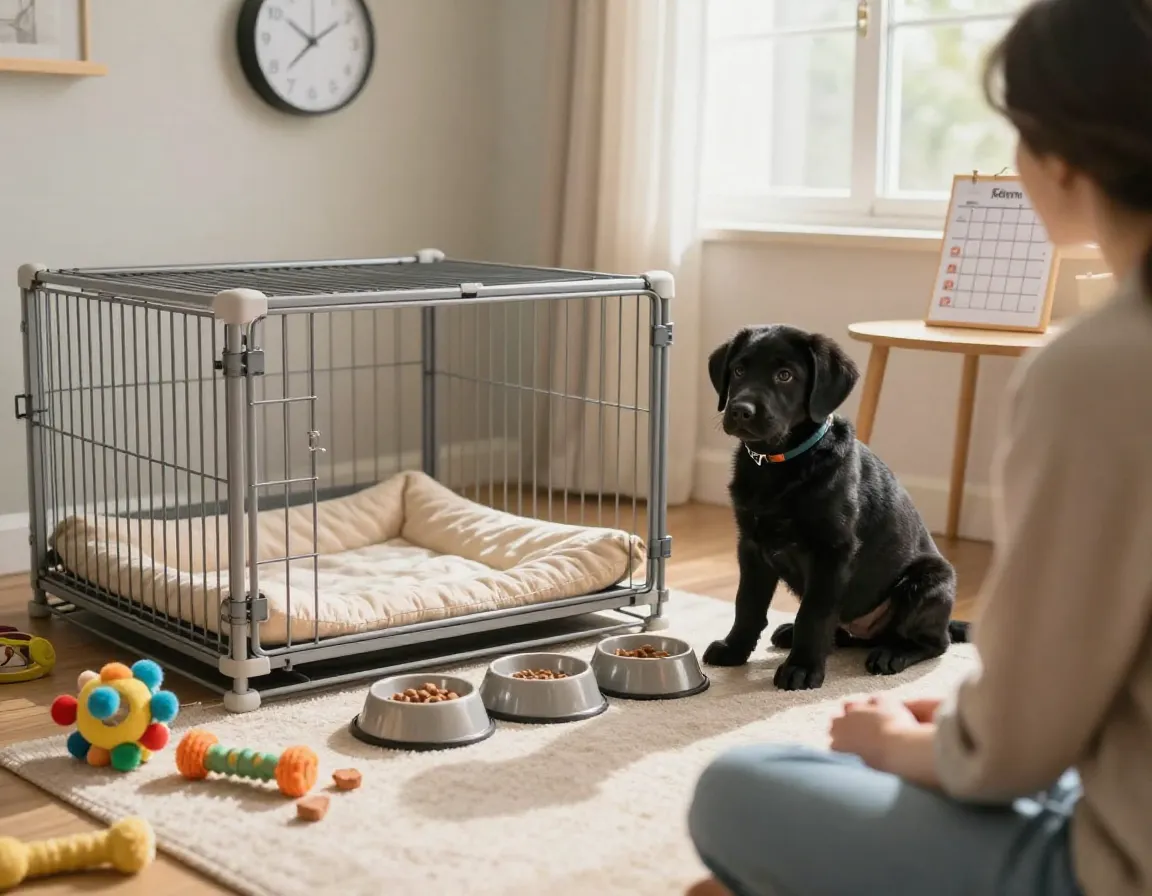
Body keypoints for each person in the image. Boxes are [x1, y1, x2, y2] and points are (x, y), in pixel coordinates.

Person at [684, 1, 1152, 894]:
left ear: (1061, 154)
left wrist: (913, 740)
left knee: (736, 786)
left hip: (1115, 864)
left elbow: (1013, 744)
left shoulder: (1099, 370)